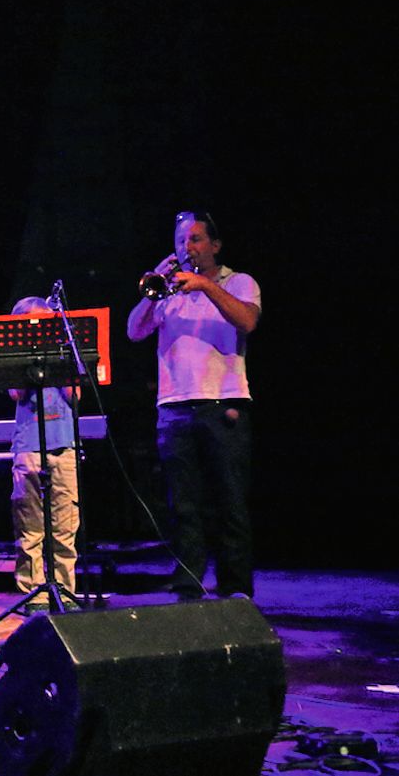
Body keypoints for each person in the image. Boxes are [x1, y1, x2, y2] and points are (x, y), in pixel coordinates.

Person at [127, 210, 260, 600]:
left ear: (215, 246)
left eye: (196, 239)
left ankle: (235, 589)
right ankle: (189, 585)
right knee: (183, 506)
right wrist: (155, 286)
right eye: (181, 241)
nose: (188, 247)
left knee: (230, 503)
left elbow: (247, 321)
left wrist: (205, 285)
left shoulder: (238, 282)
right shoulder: (168, 292)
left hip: (224, 406)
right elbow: (134, 331)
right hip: (174, 408)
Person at [7, 296, 81, 614]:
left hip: (63, 446)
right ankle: (33, 594)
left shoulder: (63, 355)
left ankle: (65, 591)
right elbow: (17, 393)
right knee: (30, 529)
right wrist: (28, 358)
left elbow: (75, 397)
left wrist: (61, 362)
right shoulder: (14, 357)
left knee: (65, 527)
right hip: (29, 449)